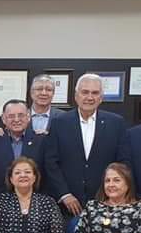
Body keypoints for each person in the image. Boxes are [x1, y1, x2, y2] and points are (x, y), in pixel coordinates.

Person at [45, 74, 127, 215]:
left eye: (95, 93)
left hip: (106, 202)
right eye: (85, 92)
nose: (89, 97)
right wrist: (64, 194)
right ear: (76, 96)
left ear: (101, 98)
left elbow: (122, 163)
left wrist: (113, 194)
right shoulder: (59, 123)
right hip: (67, 205)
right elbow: (51, 162)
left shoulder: (116, 123)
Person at [0, 99, 46, 200]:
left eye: (21, 115)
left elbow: (46, 175)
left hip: (36, 202)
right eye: (11, 116)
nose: (16, 120)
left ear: (28, 117)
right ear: (3, 119)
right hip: (0, 201)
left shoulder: (41, 141)